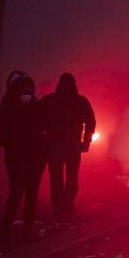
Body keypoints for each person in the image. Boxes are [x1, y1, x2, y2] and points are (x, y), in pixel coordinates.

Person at [0, 71, 47, 241]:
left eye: (29, 88)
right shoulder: (9, 106)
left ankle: (24, 231)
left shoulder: (34, 105)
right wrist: (14, 142)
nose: (27, 91)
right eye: (24, 88)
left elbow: (44, 128)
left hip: (33, 157)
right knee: (17, 192)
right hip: (18, 157)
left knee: (30, 194)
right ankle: (8, 231)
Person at [41, 72, 96, 219]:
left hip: (65, 145)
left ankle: (64, 206)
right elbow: (90, 122)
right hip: (61, 145)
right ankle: (62, 206)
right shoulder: (57, 101)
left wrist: (86, 141)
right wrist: (86, 141)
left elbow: (90, 122)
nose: (66, 86)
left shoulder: (52, 101)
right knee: (61, 177)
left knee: (66, 177)